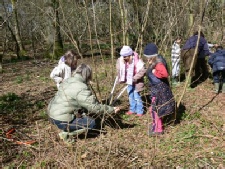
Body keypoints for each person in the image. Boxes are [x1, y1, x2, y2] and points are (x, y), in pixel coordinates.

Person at [47, 64, 120, 143]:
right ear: (88, 75)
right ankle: (67, 134)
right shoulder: (81, 88)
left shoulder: (68, 80)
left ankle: (67, 128)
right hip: (60, 120)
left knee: (84, 115)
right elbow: (93, 107)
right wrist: (111, 109)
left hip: (51, 114)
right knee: (92, 123)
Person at [143, 43, 175, 136]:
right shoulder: (155, 60)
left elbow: (164, 74)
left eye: (148, 57)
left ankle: (158, 129)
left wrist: (154, 72)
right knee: (154, 109)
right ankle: (155, 126)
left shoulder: (158, 62)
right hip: (156, 89)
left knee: (155, 109)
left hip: (159, 90)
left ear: (152, 56)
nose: (147, 59)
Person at [116, 46, 146, 116]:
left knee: (136, 96)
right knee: (130, 95)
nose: (124, 58)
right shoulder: (122, 60)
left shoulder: (137, 60)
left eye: (125, 56)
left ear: (130, 55)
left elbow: (143, 70)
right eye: (123, 56)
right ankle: (132, 109)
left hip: (137, 82)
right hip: (129, 81)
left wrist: (134, 78)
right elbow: (119, 69)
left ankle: (139, 111)